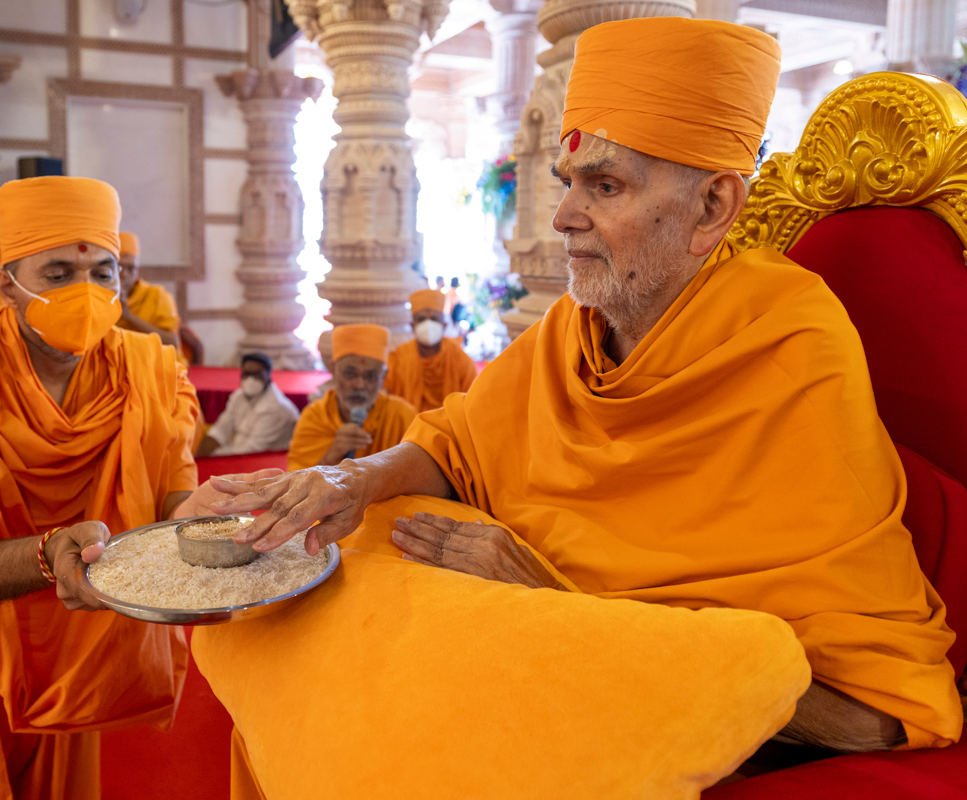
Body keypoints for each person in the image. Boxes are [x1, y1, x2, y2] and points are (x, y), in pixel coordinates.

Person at [211, 16, 963, 760]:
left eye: (605, 186)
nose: (565, 216)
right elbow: (457, 443)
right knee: (341, 566)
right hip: (555, 627)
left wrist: (559, 602)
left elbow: (867, 712)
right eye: (567, 182)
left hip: (688, 684)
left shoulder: (787, 336)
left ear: (714, 209)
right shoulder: (575, 329)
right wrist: (350, 479)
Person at [0, 176, 275, 797]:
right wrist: (48, 554)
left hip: (65, 649)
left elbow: (170, 494)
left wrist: (196, 516)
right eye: (58, 273)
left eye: (104, 272)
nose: (85, 293)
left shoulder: (147, 369)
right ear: (7, 282)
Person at [286, 324, 416, 471]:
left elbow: (418, 475)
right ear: (334, 370)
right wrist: (331, 456)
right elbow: (296, 483)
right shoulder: (315, 417)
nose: (360, 385)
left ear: (383, 377)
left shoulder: (402, 415)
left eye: (370, 376)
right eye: (350, 374)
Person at [116, 231, 205, 364]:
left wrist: (129, 317)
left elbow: (172, 342)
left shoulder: (157, 296)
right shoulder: (99, 298)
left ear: (138, 271)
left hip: (160, 370)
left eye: (131, 268)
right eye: (119, 267)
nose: (124, 274)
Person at [384, 289, 478, 412]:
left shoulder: (459, 358)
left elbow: (472, 399)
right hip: (409, 427)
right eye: (421, 319)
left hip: (450, 427)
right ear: (412, 326)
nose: (428, 324)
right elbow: (386, 399)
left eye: (434, 319)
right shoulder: (398, 358)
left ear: (444, 325)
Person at [197, 353, 299, 456]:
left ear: (268, 375)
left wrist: (213, 456)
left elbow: (251, 450)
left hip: (266, 461)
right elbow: (221, 430)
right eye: (247, 374)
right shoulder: (238, 396)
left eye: (257, 374)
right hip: (238, 452)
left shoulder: (276, 407)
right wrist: (198, 456)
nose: (251, 380)